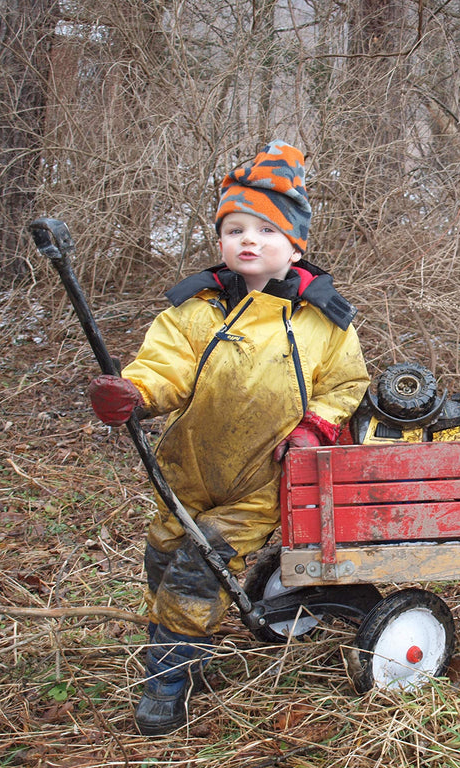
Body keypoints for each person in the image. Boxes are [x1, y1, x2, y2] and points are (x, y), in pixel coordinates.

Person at [87, 141, 370, 736]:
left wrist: (314, 427)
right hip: (187, 472)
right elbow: (163, 368)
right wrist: (134, 394)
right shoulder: (195, 313)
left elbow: (346, 384)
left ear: (295, 245)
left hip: (261, 480)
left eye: (266, 230)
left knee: (200, 567)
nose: (248, 239)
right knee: (164, 560)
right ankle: (187, 647)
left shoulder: (322, 323)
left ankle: (165, 683)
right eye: (235, 227)